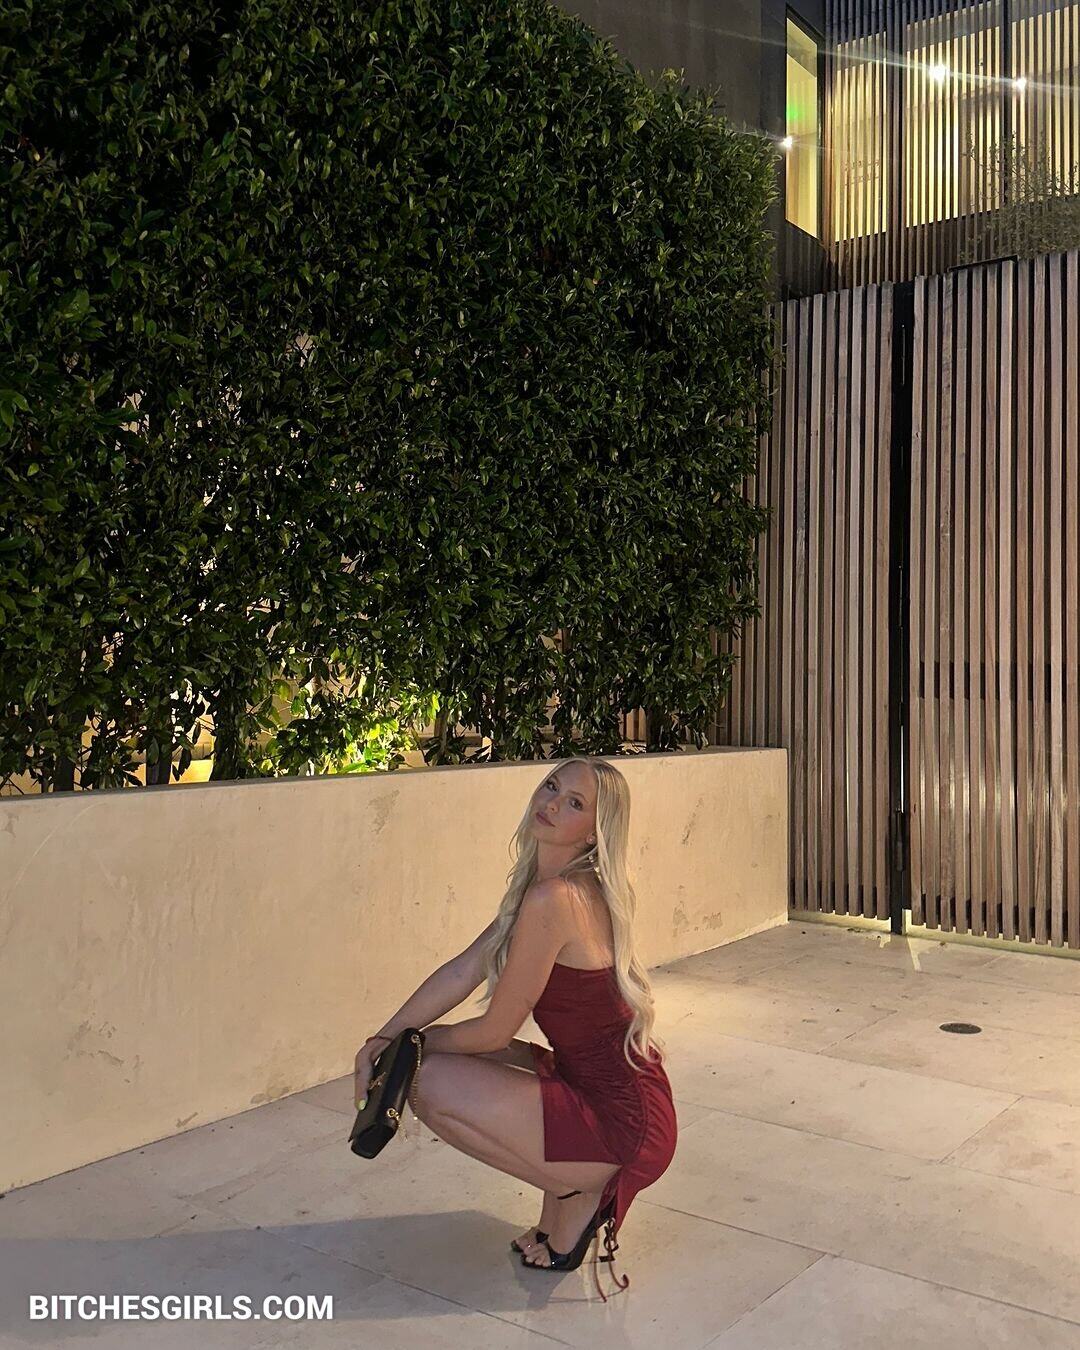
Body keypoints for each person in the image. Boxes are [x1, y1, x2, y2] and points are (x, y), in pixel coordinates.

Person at [353, 755, 678, 1301]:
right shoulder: (550, 886)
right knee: (432, 1062)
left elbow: (493, 1033)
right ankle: (572, 1187)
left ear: (594, 832)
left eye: (574, 803)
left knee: (427, 1078)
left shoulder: (558, 899)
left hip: (623, 1115)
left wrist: (411, 1045)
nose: (551, 803)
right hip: (601, 1081)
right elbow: (465, 968)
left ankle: (579, 1188)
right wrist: (386, 1037)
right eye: (551, 786)